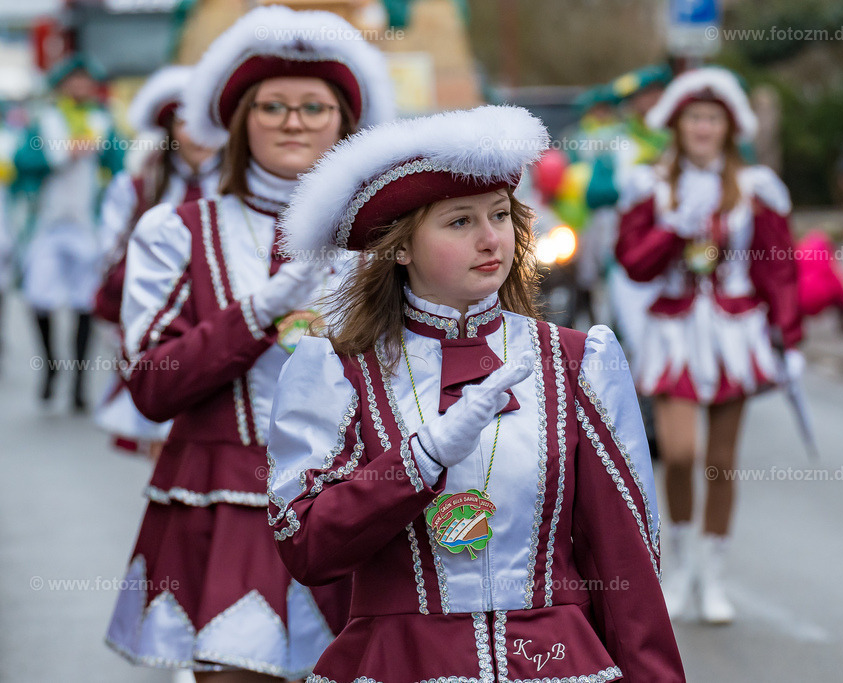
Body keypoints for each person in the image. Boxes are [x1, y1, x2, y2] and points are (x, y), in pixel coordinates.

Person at [267, 105, 685, 682]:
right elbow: (308, 547)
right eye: (459, 222)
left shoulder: (576, 361)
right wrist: (420, 461)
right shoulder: (337, 372)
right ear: (400, 248)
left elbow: (625, 562)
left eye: (500, 215)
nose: (492, 239)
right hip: (400, 663)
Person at [105, 6, 394, 679]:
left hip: (360, 504)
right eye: (272, 105)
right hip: (226, 501)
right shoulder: (173, 231)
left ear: (345, 125)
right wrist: (265, 305)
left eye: (314, 106)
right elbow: (153, 383)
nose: (293, 121)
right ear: (240, 122)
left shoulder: (387, 240)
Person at [615, 67, 803, 624]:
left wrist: (789, 336)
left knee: (721, 463)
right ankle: (679, 568)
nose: (703, 127)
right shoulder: (650, 186)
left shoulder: (755, 189)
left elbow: (780, 267)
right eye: (694, 117)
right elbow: (633, 263)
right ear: (678, 126)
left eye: (713, 118)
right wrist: (672, 228)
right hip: (674, 332)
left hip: (734, 334)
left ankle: (715, 576)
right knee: (680, 454)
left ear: (728, 127)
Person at [92, 65, 220, 458]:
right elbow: (112, 261)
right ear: (169, 131)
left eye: (209, 123)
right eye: (186, 123)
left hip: (228, 334)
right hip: (164, 335)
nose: (198, 136)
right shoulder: (136, 189)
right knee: (166, 449)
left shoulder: (252, 190)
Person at [13, 54, 125, 409]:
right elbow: (21, 163)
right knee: (39, 296)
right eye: (73, 80)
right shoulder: (43, 121)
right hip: (47, 224)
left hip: (86, 226)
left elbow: (119, 166)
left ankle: (78, 381)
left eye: (85, 81)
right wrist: (63, 155)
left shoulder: (102, 120)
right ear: (61, 85)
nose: (79, 87)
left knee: (84, 300)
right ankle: (49, 365)